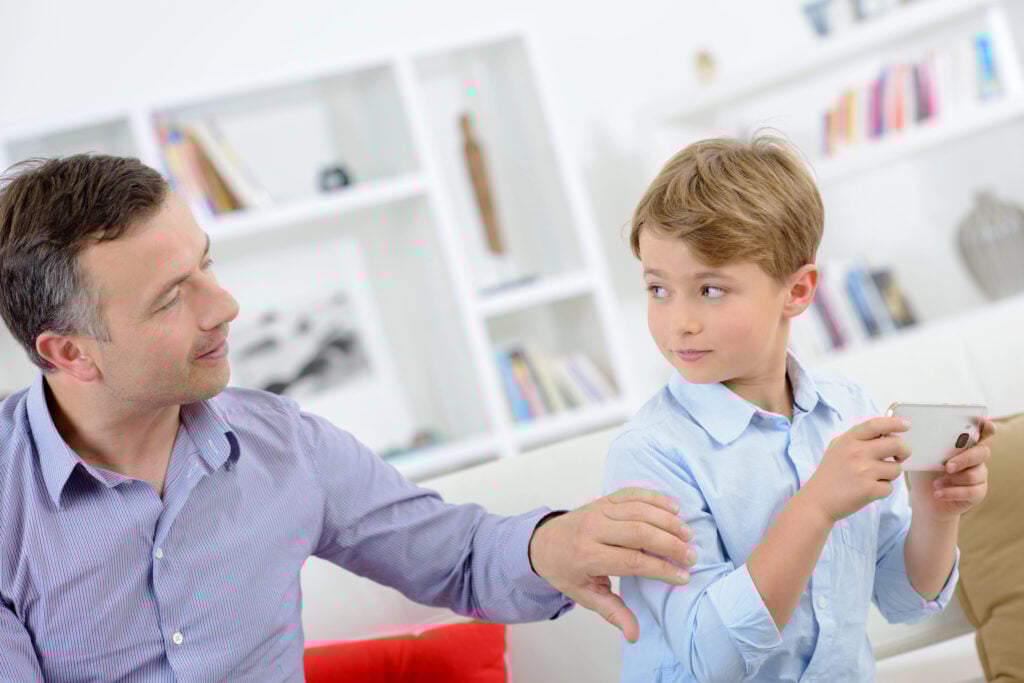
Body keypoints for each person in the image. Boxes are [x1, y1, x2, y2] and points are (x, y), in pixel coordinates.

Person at [0, 154, 695, 682]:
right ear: (69, 351)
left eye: (206, 266)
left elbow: (459, 555)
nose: (224, 306)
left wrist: (559, 543)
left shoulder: (282, 446)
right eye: (171, 297)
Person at [602, 135, 995, 682]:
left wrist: (935, 512)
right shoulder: (649, 456)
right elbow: (711, 661)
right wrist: (814, 508)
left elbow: (905, 600)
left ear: (798, 290)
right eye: (658, 289)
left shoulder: (846, 409)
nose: (679, 322)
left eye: (710, 290)